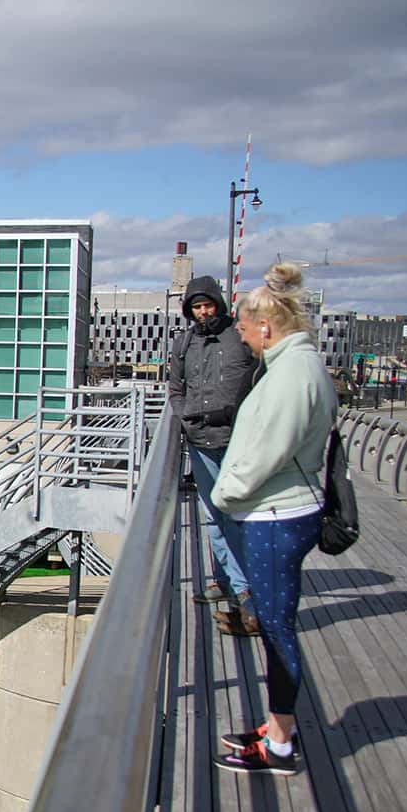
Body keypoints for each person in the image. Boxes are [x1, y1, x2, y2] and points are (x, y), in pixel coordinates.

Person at [210, 263, 338, 777]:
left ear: (266, 325)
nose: (240, 338)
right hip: (286, 509)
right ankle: (277, 725)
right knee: (276, 624)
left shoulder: (289, 375)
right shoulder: (301, 364)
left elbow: (267, 449)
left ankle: (280, 745)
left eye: (242, 328)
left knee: (278, 629)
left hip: (275, 515)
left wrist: (224, 492)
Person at [167, 273, 260, 637]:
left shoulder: (241, 338)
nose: (203, 312)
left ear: (220, 305)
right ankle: (234, 584)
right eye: (197, 307)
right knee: (215, 516)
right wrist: (184, 420)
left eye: (208, 305)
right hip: (201, 440)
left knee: (238, 515)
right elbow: (176, 388)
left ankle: (242, 588)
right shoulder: (184, 344)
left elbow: (259, 378)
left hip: (240, 441)